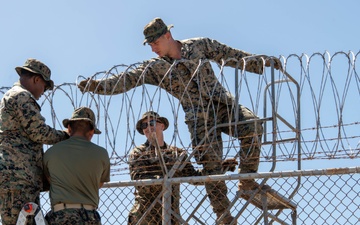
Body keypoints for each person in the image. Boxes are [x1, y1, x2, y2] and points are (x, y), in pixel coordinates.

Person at [78, 17, 281, 224]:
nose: (153, 49)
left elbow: (230, 56)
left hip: (222, 105)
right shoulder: (156, 68)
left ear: (168, 36)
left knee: (253, 124)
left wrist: (261, 62)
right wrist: (97, 86)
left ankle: (247, 179)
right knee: (210, 166)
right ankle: (223, 214)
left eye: (155, 43)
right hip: (199, 118)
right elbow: (127, 80)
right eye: (149, 45)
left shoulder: (200, 45)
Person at [0, 58, 70, 225]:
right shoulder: (22, 96)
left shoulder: (14, 95)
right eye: (44, 87)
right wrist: (67, 135)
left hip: (18, 177)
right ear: (36, 79)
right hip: (18, 178)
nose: (43, 92)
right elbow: (39, 132)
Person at [128, 111, 203, 225]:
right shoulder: (139, 152)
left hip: (171, 214)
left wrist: (219, 169)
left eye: (152, 123)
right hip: (145, 215)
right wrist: (168, 179)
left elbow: (194, 177)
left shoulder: (177, 153)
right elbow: (140, 182)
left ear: (162, 125)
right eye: (144, 125)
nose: (148, 127)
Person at [43, 107, 110, 225]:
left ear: (69, 128)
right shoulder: (101, 154)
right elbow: (98, 183)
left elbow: (49, 180)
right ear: (92, 131)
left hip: (60, 216)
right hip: (89, 217)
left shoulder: (51, 153)